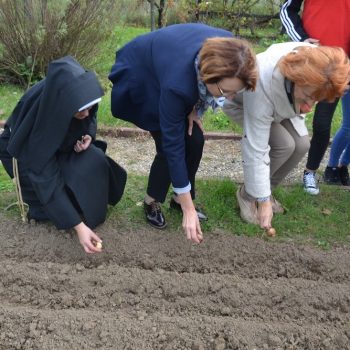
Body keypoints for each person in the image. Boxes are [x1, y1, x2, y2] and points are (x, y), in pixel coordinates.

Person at [109, 23, 257, 243]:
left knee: (195, 140)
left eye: (236, 91)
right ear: (208, 76)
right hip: (143, 76)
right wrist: (190, 210)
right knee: (167, 147)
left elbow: (208, 89)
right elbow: (173, 145)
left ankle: (179, 199)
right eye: (226, 91)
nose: (230, 98)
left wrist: (196, 109)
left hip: (169, 64)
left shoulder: (233, 50)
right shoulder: (178, 87)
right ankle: (152, 201)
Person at [0, 56, 127, 254]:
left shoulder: (79, 95)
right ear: (64, 107)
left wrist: (88, 135)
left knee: (93, 160)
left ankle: (76, 205)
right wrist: (78, 226)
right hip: (27, 155)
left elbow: (90, 118)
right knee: (53, 197)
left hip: (60, 145)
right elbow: (45, 174)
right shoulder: (45, 122)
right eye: (80, 111)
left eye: (89, 107)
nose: (86, 114)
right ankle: (55, 210)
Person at [223, 42, 350, 229]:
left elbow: (306, 99)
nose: (309, 106)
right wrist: (263, 201)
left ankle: (266, 190)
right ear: (296, 79)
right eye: (308, 97)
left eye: (316, 99)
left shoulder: (318, 65)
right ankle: (247, 196)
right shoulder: (262, 82)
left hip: (283, 104)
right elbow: (255, 149)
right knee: (284, 145)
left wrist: (308, 96)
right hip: (247, 104)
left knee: (301, 145)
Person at [280, 0, 350, 194]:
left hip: (338, 65)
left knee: (322, 124)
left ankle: (310, 172)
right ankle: (272, 167)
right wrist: (301, 39)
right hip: (307, 59)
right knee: (284, 115)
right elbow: (287, 9)